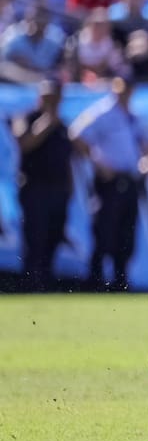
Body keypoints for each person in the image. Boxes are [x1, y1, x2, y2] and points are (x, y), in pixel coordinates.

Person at [70, 75, 148, 291]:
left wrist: (146, 161)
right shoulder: (103, 112)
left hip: (130, 179)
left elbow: (147, 143)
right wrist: (99, 163)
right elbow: (77, 134)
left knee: (127, 231)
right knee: (104, 230)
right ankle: (95, 279)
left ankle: (120, 279)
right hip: (110, 180)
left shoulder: (133, 116)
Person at [11, 79, 72, 291]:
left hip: (58, 190)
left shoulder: (62, 126)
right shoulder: (27, 117)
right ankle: (29, 283)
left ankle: (46, 282)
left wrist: (69, 189)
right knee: (34, 238)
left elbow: (67, 160)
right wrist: (47, 122)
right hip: (35, 188)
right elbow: (23, 143)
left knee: (54, 238)